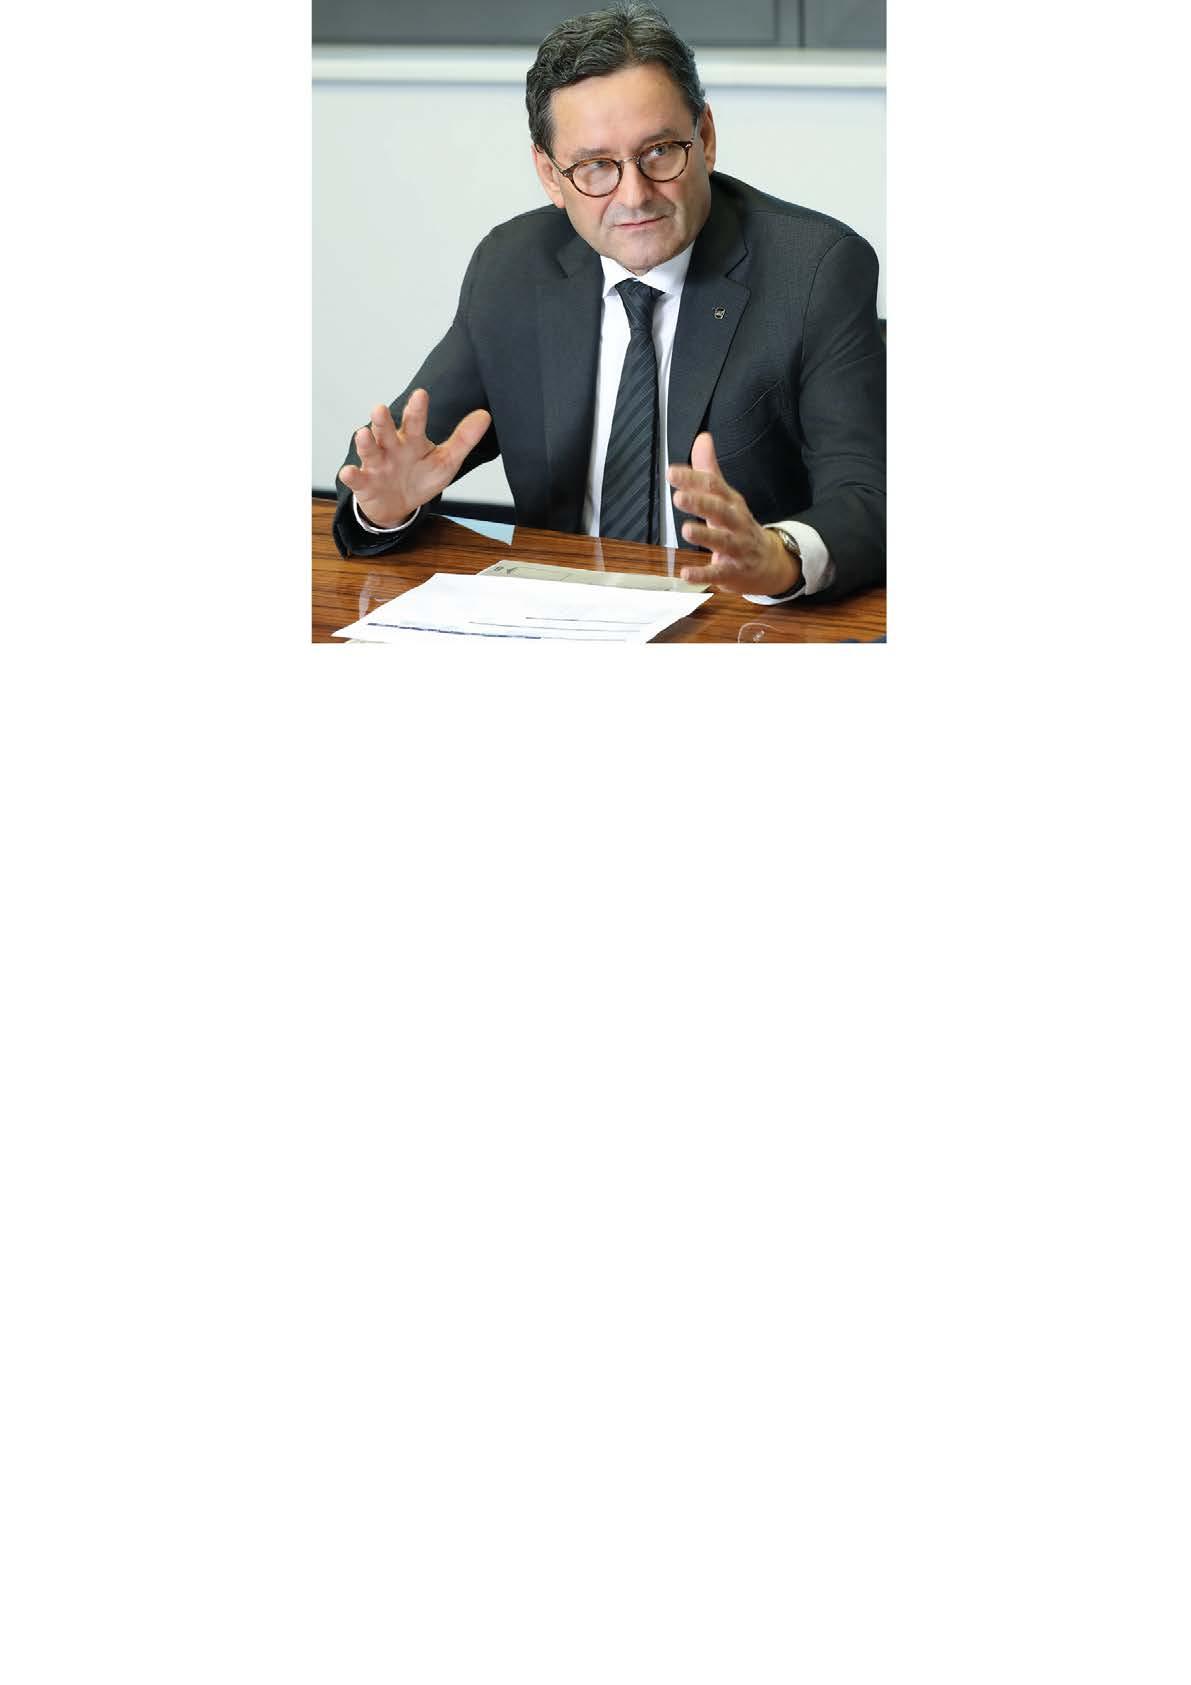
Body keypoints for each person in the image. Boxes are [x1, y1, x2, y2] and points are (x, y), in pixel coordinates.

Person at [333, 2, 885, 603]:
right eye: (596, 166)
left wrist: (778, 556)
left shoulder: (815, 270)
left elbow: (869, 497)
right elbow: (391, 463)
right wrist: (383, 507)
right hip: (560, 617)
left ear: (705, 137)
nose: (635, 195)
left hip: (742, 623)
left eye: (660, 152)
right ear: (550, 175)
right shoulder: (513, 268)